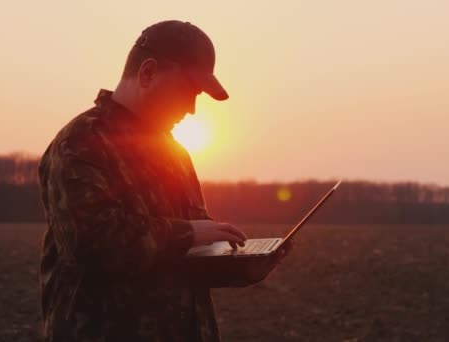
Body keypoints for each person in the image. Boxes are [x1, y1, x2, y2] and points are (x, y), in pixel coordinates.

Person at [37, 20, 292, 341]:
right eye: (187, 91)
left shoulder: (174, 152)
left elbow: (184, 253)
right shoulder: (80, 143)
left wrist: (241, 265)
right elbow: (92, 245)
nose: (192, 108)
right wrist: (188, 233)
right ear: (147, 73)